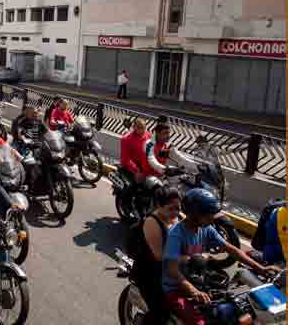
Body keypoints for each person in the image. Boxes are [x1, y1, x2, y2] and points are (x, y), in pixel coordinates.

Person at [162, 189, 280, 325]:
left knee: (237, 311)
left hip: (198, 279)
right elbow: (172, 271)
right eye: (209, 215)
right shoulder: (175, 235)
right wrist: (193, 291)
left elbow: (231, 249)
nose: (213, 218)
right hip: (176, 289)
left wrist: (260, 269)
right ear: (195, 215)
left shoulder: (206, 228)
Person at [131, 188, 181, 325]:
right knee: (160, 311)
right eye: (171, 208)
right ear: (159, 207)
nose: (176, 212)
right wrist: (184, 257)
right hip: (149, 272)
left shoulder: (175, 218)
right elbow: (159, 256)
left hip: (169, 268)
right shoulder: (152, 222)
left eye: (178, 208)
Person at [120, 118, 151, 184]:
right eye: (139, 128)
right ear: (134, 127)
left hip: (144, 165)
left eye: (143, 128)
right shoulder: (126, 139)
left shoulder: (148, 135)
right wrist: (137, 170)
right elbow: (125, 160)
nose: (142, 130)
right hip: (131, 166)